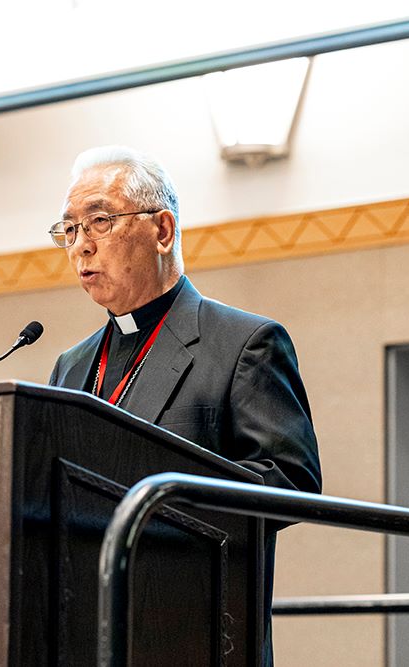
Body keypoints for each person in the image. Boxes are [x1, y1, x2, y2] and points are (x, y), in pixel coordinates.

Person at [47, 145, 322, 665]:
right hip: (86, 635)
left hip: (194, 631)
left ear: (163, 230)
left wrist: (164, 498)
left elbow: (293, 482)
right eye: (69, 230)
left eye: (99, 221)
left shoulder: (245, 343)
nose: (81, 246)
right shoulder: (71, 366)